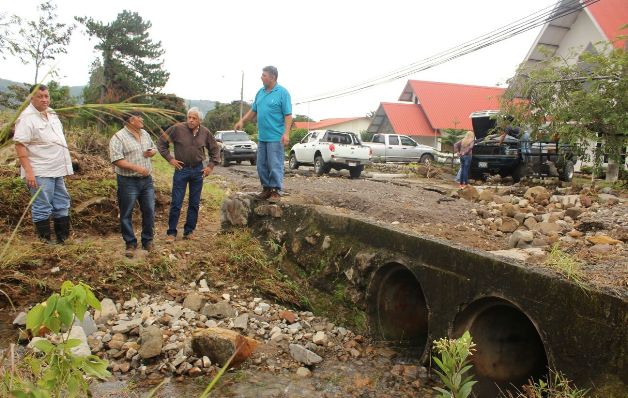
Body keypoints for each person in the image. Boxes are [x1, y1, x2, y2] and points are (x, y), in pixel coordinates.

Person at [13, 84, 73, 244]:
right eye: (40, 96)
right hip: (40, 170)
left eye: (46, 96)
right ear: (31, 98)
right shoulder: (26, 118)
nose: (44, 99)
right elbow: (20, 145)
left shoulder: (51, 113)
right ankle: (45, 243)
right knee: (42, 205)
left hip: (57, 168)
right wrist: (29, 172)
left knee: (62, 203)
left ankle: (63, 239)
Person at [157, 107, 220, 241]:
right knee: (176, 202)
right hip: (181, 169)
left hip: (198, 170)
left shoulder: (205, 132)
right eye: (189, 117)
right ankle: (171, 233)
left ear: (200, 121)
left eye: (194, 118)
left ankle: (189, 231)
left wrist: (210, 166)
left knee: (194, 203)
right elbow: (161, 143)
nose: (191, 120)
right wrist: (170, 159)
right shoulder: (177, 128)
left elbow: (215, 150)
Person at [234, 66, 292, 202]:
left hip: (276, 137)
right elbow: (253, 111)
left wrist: (287, 134)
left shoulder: (282, 93)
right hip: (263, 137)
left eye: (264, 75)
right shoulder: (260, 92)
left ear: (273, 77)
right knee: (261, 165)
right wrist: (242, 121)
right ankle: (266, 189)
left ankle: (276, 190)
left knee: (274, 164)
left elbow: (288, 115)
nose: (261, 77)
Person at [109, 112, 157, 257]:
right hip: (127, 181)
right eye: (138, 117)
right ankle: (130, 243)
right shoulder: (118, 137)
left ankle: (147, 241)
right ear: (130, 121)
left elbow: (153, 148)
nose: (142, 119)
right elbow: (116, 159)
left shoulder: (145, 134)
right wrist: (136, 168)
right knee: (126, 213)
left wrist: (152, 152)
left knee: (149, 210)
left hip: (146, 181)